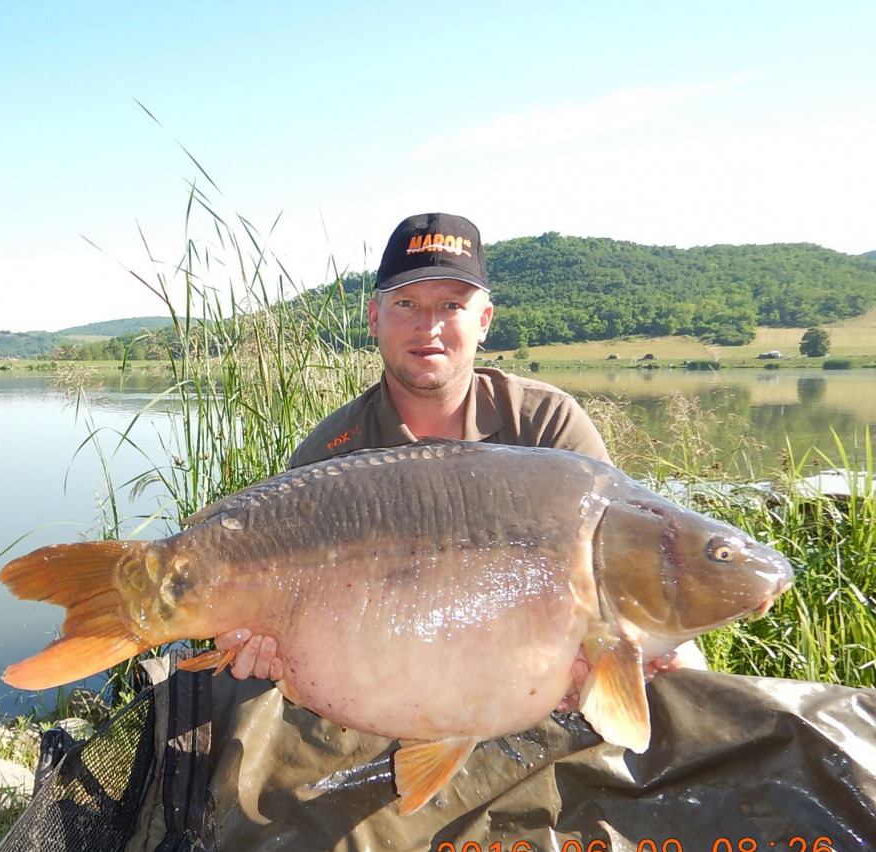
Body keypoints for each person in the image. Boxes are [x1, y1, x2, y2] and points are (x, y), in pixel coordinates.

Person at [214, 211, 706, 686]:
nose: (427, 325)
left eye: (451, 305)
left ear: (484, 320)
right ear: (373, 317)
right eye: (405, 304)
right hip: (384, 677)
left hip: (526, 666)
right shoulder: (330, 452)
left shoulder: (545, 422)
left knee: (685, 665)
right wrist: (269, 646)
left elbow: (612, 572)